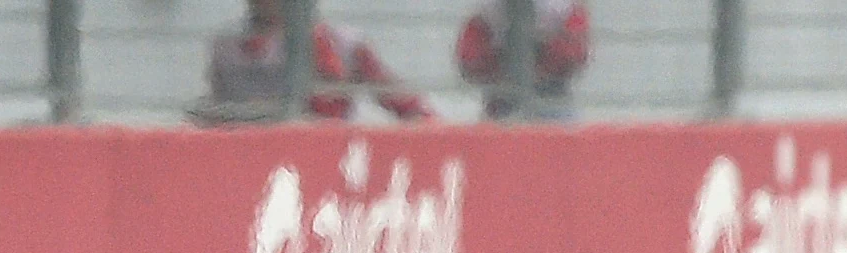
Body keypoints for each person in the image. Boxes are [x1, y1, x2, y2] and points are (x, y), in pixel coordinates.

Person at [200, 0, 429, 124]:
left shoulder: (340, 42)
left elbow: (404, 103)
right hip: (250, 152)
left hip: (321, 152)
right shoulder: (228, 46)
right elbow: (217, 107)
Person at [455, 1, 591, 121]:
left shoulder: (561, 7)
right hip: (500, 105)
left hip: (552, 102)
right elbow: (470, 60)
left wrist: (541, 63)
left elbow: (572, 53)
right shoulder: (487, 10)